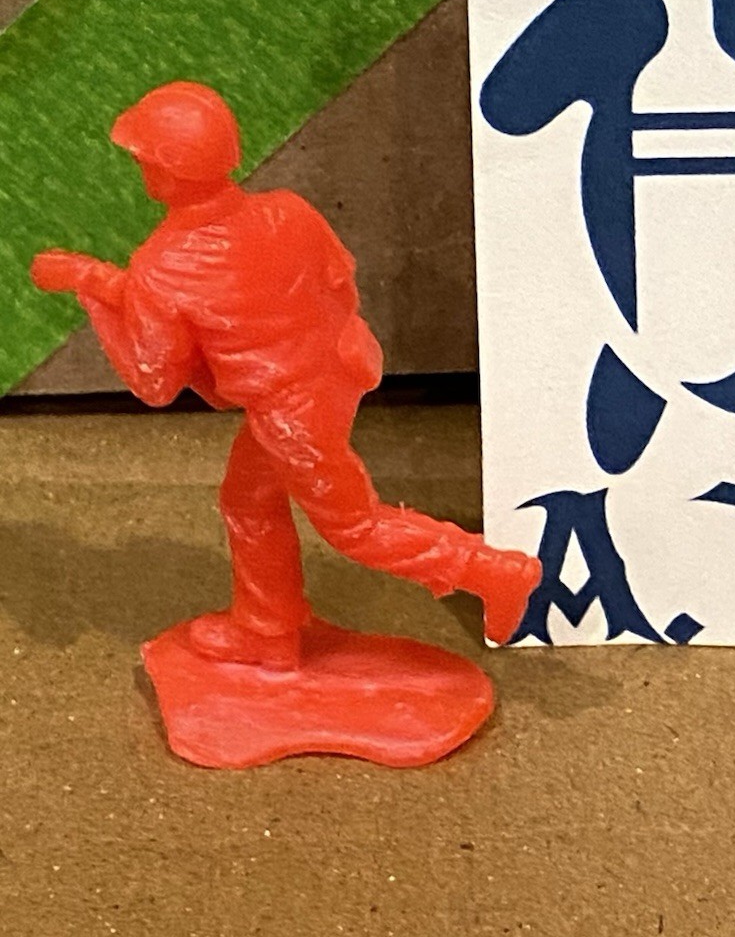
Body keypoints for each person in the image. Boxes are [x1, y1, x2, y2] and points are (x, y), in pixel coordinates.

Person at [32, 81, 539, 668]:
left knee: (354, 526)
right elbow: (330, 286)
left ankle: (489, 570)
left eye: (144, 158)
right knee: (249, 500)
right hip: (339, 373)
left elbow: (154, 380)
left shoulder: (162, 265)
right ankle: (268, 631)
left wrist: (93, 297)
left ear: (162, 172)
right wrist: (99, 279)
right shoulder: (287, 211)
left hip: (290, 415)